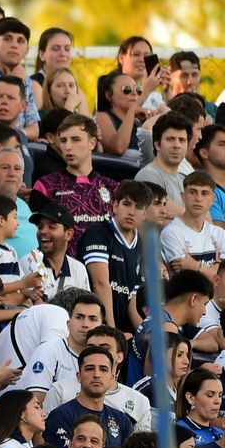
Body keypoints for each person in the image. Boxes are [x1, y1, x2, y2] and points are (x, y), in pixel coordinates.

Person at [31, 114, 122, 255]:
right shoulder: (45, 186)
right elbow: (38, 236)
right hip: (65, 272)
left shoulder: (113, 188)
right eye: (63, 140)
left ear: (92, 142)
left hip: (107, 269)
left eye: (75, 140)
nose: (68, 147)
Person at [81, 180, 151, 336]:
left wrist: (144, 335)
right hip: (93, 326)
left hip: (121, 330)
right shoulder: (98, 233)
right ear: (115, 206)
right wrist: (112, 331)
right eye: (127, 204)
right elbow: (100, 283)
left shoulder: (141, 244)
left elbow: (132, 297)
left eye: (138, 207)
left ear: (145, 214)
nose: (132, 212)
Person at [43, 346, 135, 448]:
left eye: (103, 369)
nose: (96, 375)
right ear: (79, 376)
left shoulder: (121, 420)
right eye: (89, 369)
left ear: (112, 378)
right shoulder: (61, 416)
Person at [17, 292, 103, 398]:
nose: (85, 324)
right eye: (79, 317)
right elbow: (36, 401)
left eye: (92, 319)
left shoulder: (104, 358)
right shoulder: (49, 350)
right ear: (68, 324)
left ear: (102, 327)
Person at [160, 172, 225, 274]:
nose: (198, 199)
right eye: (192, 192)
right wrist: (217, 265)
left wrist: (194, 265)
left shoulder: (220, 234)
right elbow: (186, 277)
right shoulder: (171, 232)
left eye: (204, 193)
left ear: (212, 199)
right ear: (183, 196)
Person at [136, 115, 195, 214]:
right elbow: (160, 219)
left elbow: (207, 221)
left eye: (182, 140)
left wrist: (182, 213)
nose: (177, 145)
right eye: (170, 139)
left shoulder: (186, 179)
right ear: (157, 145)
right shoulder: (148, 176)